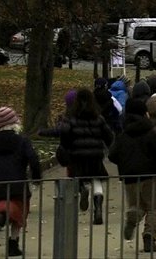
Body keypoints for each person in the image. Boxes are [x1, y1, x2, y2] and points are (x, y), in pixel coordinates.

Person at [108, 99, 156, 253]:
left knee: (137, 204)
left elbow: (112, 155)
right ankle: (149, 236)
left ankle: (133, 216)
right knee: (153, 207)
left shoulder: (122, 135)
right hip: (149, 174)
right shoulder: (151, 133)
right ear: (144, 113)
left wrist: (125, 162)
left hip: (129, 177)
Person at [38, 88, 114, 225]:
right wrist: (105, 146)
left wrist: (66, 146)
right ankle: (98, 209)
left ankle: (83, 189)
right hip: (95, 155)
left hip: (77, 155)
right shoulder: (98, 118)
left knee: (78, 177)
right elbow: (109, 135)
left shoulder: (71, 119)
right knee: (97, 180)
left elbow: (64, 134)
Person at [0, 107, 41, 257]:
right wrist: (36, 178)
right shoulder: (22, 141)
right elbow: (33, 159)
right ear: (14, 123)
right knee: (20, 213)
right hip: (19, 184)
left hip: (0, 185)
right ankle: (13, 244)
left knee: (3, 202)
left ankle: (1, 214)